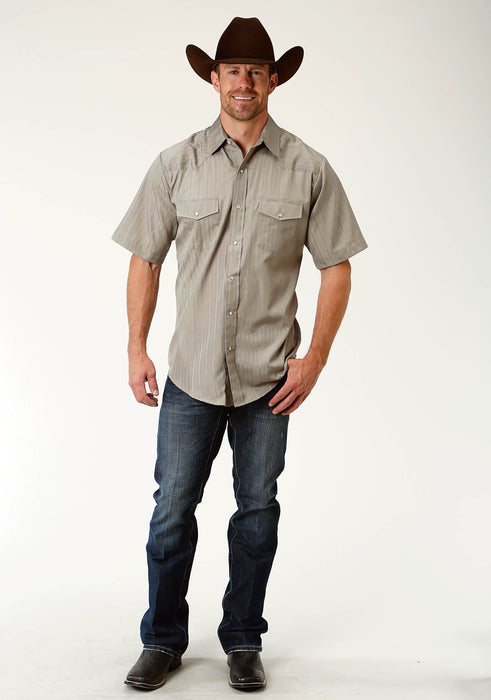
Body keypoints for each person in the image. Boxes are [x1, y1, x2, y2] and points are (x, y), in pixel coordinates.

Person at [112, 16, 367, 692]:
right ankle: (161, 640)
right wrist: (136, 347)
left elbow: (337, 267)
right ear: (214, 79)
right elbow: (145, 259)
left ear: (274, 79)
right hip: (190, 376)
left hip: (268, 379)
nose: (244, 82)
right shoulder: (175, 164)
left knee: (256, 515)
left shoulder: (309, 168)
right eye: (233, 71)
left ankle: (244, 640)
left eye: (256, 70)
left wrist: (314, 358)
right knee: (171, 513)